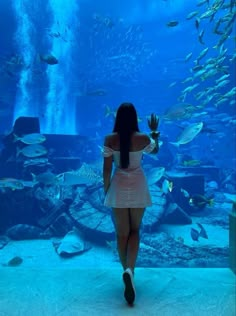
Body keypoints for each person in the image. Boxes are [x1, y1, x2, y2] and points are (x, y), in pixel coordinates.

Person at [102, 102, 160, 305]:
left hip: (118, 186)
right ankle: (130, 271)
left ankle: (125, 270)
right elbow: (154, 151)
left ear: (117, 118)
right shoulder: (143, 137)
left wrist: (107, 192)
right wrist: (154, 132)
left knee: (122, 234)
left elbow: (107, 170)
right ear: (135, 118)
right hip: (138, 185)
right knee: (135, 231)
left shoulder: (110, 139)